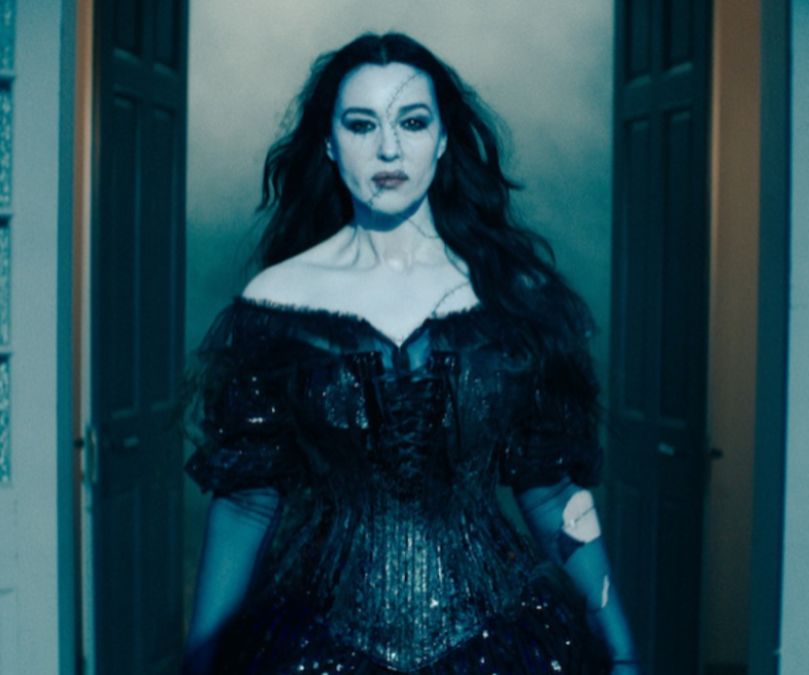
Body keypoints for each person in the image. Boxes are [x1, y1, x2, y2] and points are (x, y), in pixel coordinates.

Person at [182, 32, 639, 674]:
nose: (389, 148)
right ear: (329, 143)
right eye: (362, 124)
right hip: (319, 648)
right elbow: (246, 502)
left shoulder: (514, 297)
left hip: (497, 642)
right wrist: (200, 660)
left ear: (443, 139)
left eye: (413, 122)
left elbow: (552, 492)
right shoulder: (275, 301)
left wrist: (622, 651)